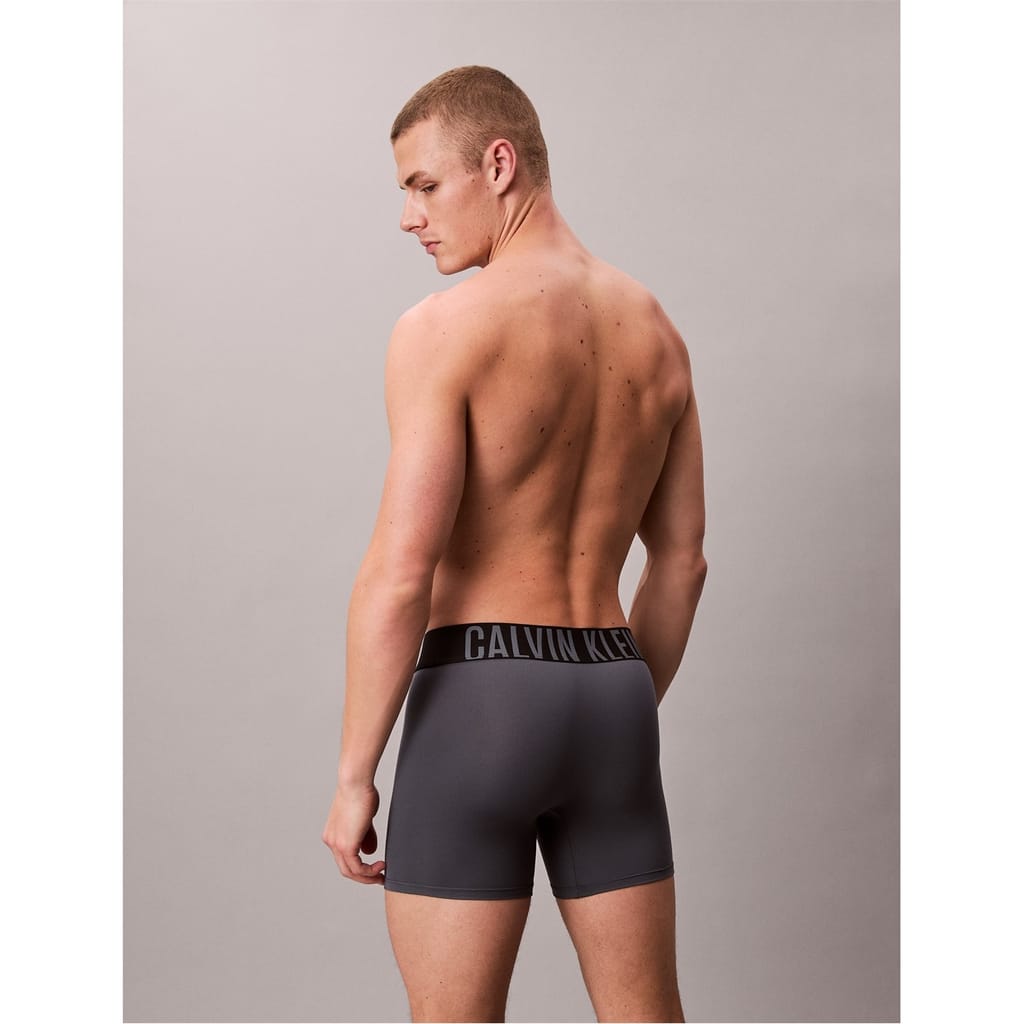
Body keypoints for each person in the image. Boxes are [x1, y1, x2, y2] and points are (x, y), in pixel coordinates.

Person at [322, 65, 707, 1023]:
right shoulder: (656, 331)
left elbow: (401, 573)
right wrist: (608, 705)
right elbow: (682, 562)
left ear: (499, 165)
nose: (409, 217)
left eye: (424, 185)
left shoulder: (444, 330)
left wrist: (354, 774)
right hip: (615, 695)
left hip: (481, 699)